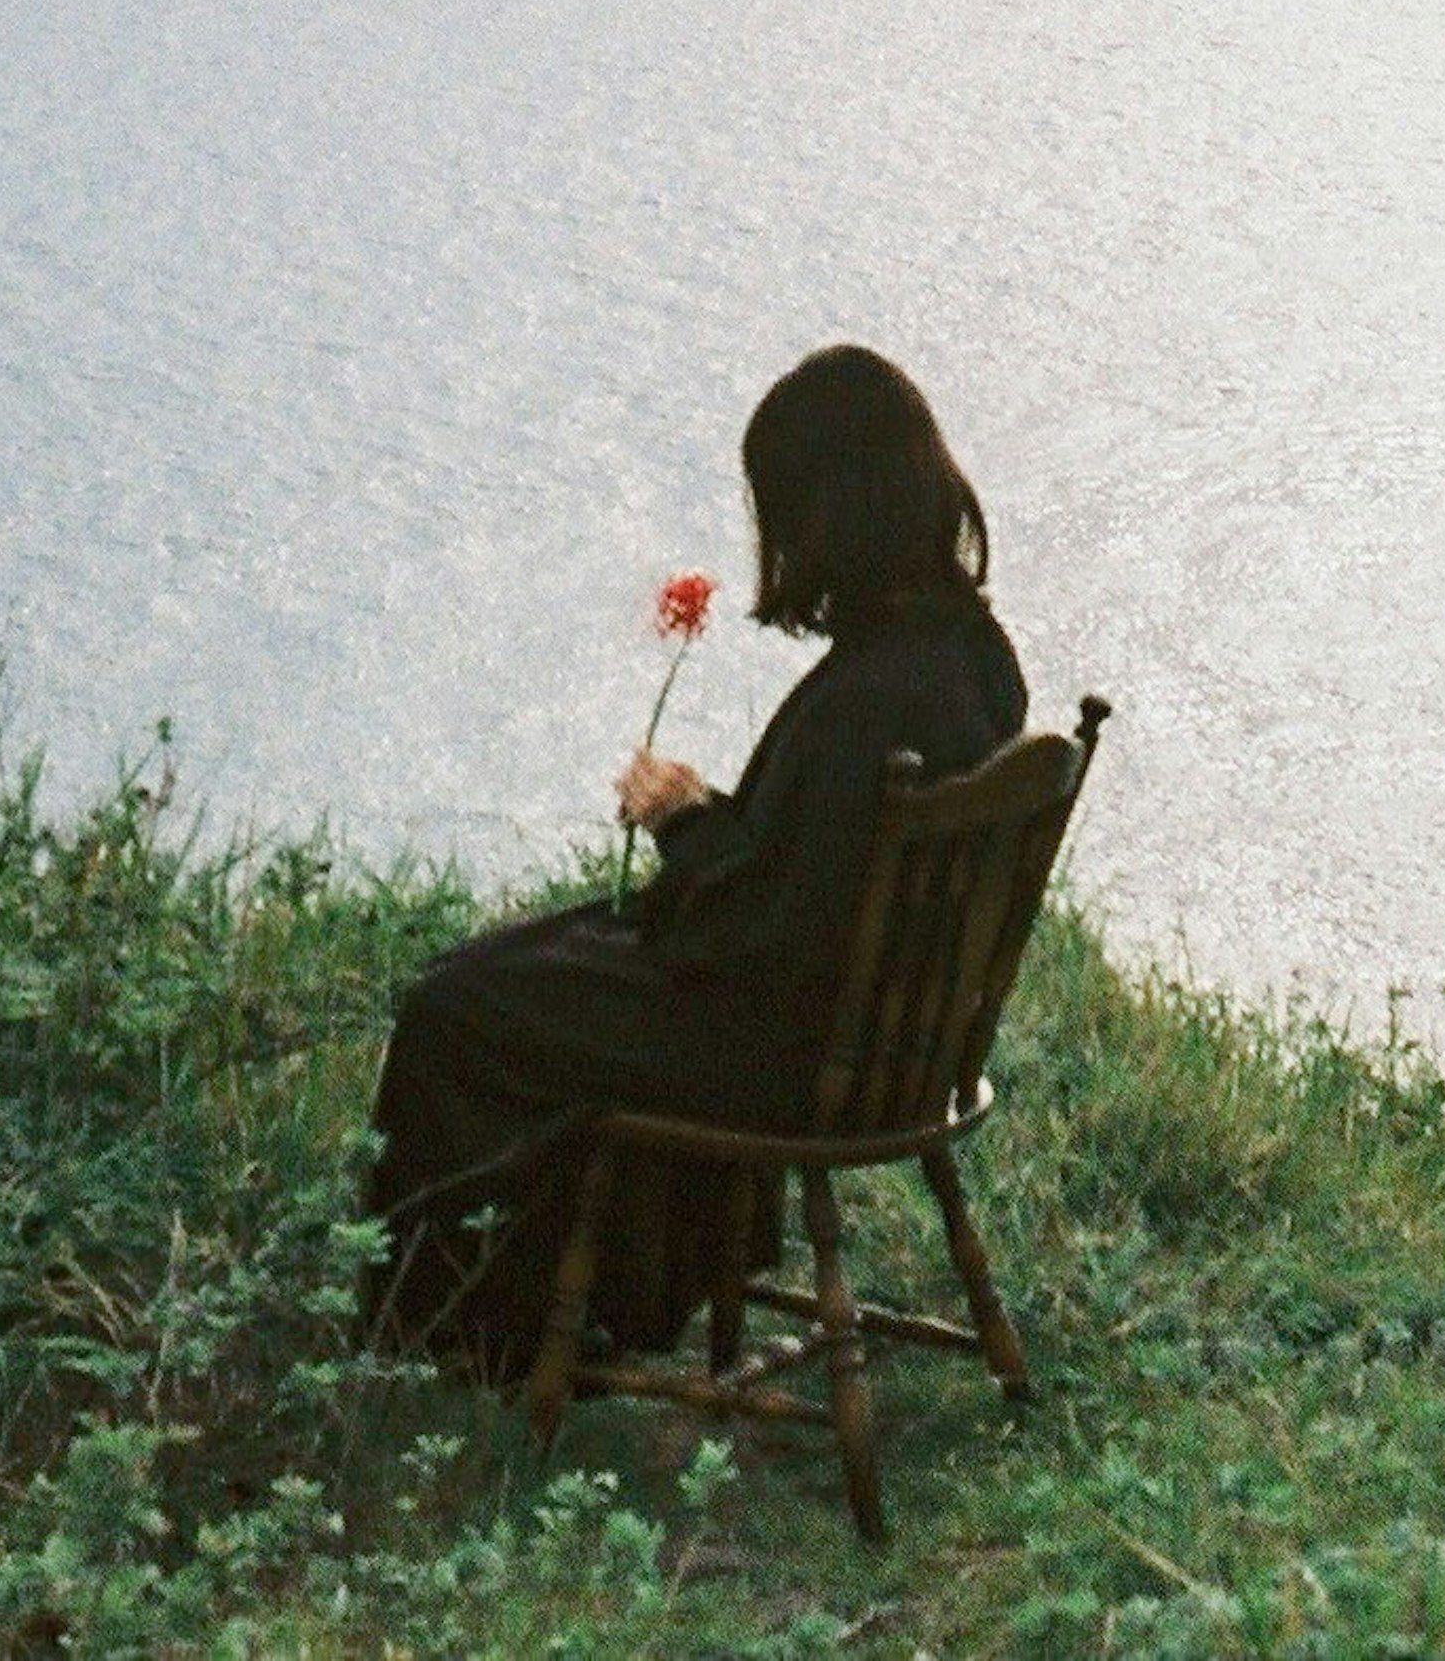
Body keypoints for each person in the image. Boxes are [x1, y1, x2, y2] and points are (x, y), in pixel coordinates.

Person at [361, 343, 1029, 1374]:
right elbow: (824, 869)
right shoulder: (972, 656)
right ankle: (583, 1299)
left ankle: (452, 1325)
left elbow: (767, 933)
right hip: (897, 1050)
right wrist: (719, 818)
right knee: (533, 954)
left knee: (454, 1007)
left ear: (832, 512)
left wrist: (683, 818)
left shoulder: (870, 698)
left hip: (779, 1052)